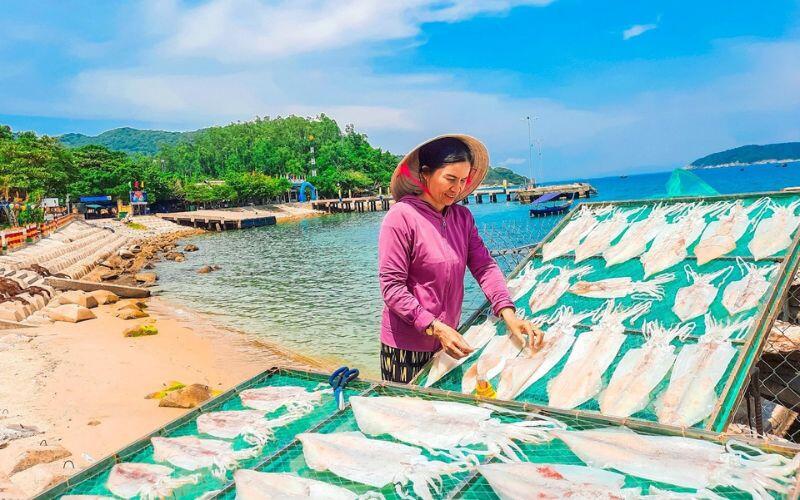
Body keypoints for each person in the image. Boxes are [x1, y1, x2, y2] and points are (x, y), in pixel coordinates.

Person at [378, 134, 544, 383]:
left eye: (463, 181)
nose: (457, 189)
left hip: (450, 340)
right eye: (450, 179)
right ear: (425, 174)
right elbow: (392, 288)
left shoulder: (462, 218)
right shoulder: (401, 217)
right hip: (406, 348)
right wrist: (435, 327)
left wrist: (509, 314)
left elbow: (484, 267)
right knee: (408, 406)